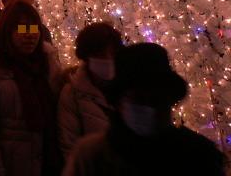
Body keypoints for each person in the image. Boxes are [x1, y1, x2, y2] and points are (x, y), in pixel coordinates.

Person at [64, 43, 225, 175]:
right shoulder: (92, 157)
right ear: (119, 102)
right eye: (139, 99)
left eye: (156, 99)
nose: (149, 107)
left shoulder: (199, 155)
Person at [0, 2, 62, 176]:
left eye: (34, 28)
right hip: (13, 163)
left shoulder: (48, 67)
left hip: (48, 160)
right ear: (7, 32)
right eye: (21, 29)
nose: (29, 35)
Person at [58, 22, 123, 159]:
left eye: (113, 54)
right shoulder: (73, 93)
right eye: (100, 55)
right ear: (87, 58)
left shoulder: (127, 89)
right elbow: (69, 145)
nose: (108, 59)